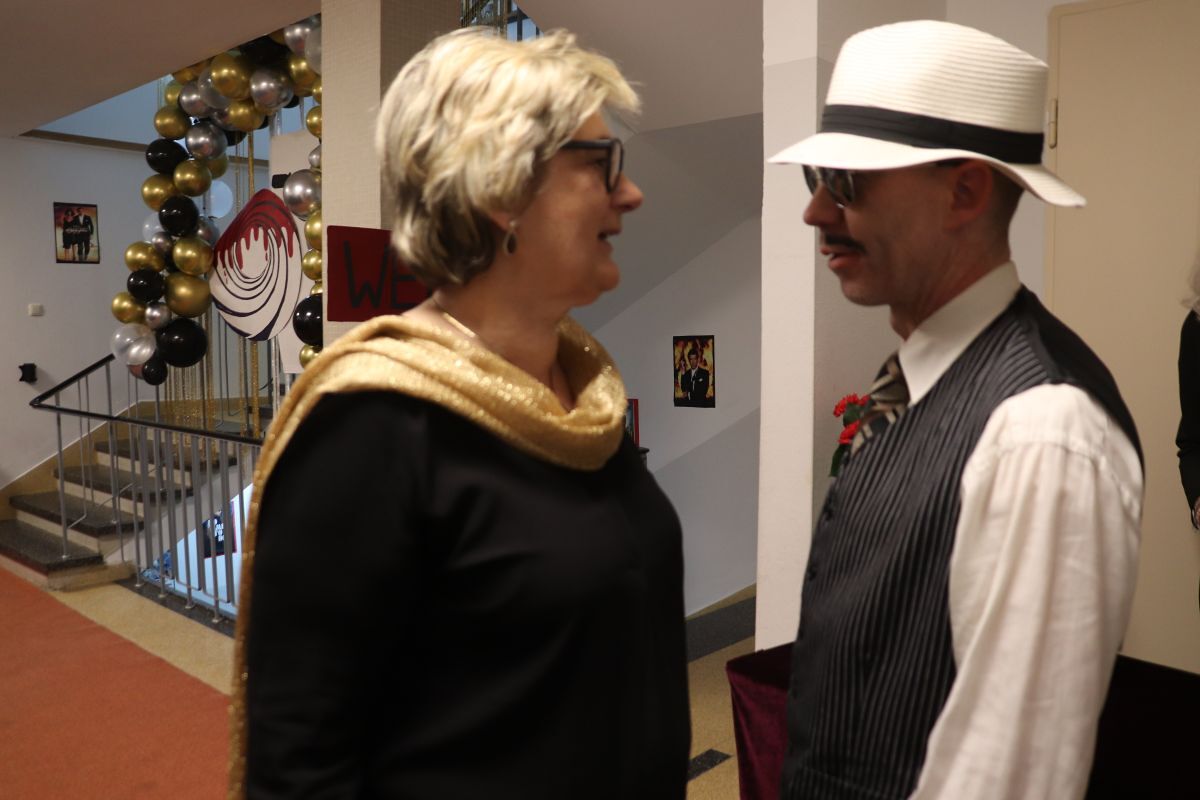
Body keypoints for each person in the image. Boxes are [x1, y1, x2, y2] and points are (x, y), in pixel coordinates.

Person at [229, 28, 690, 799]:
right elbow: (300, 760)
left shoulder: (583, 397)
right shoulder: (374, 423)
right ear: (499, 190)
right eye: (599, 163)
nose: (630, 193)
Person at [768, 20, 1143, 800]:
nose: (816, 214)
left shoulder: (1042, 432)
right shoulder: (917, 381)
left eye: (847, 181)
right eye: (817, 177)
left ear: (965, 191)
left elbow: (1009, 776)